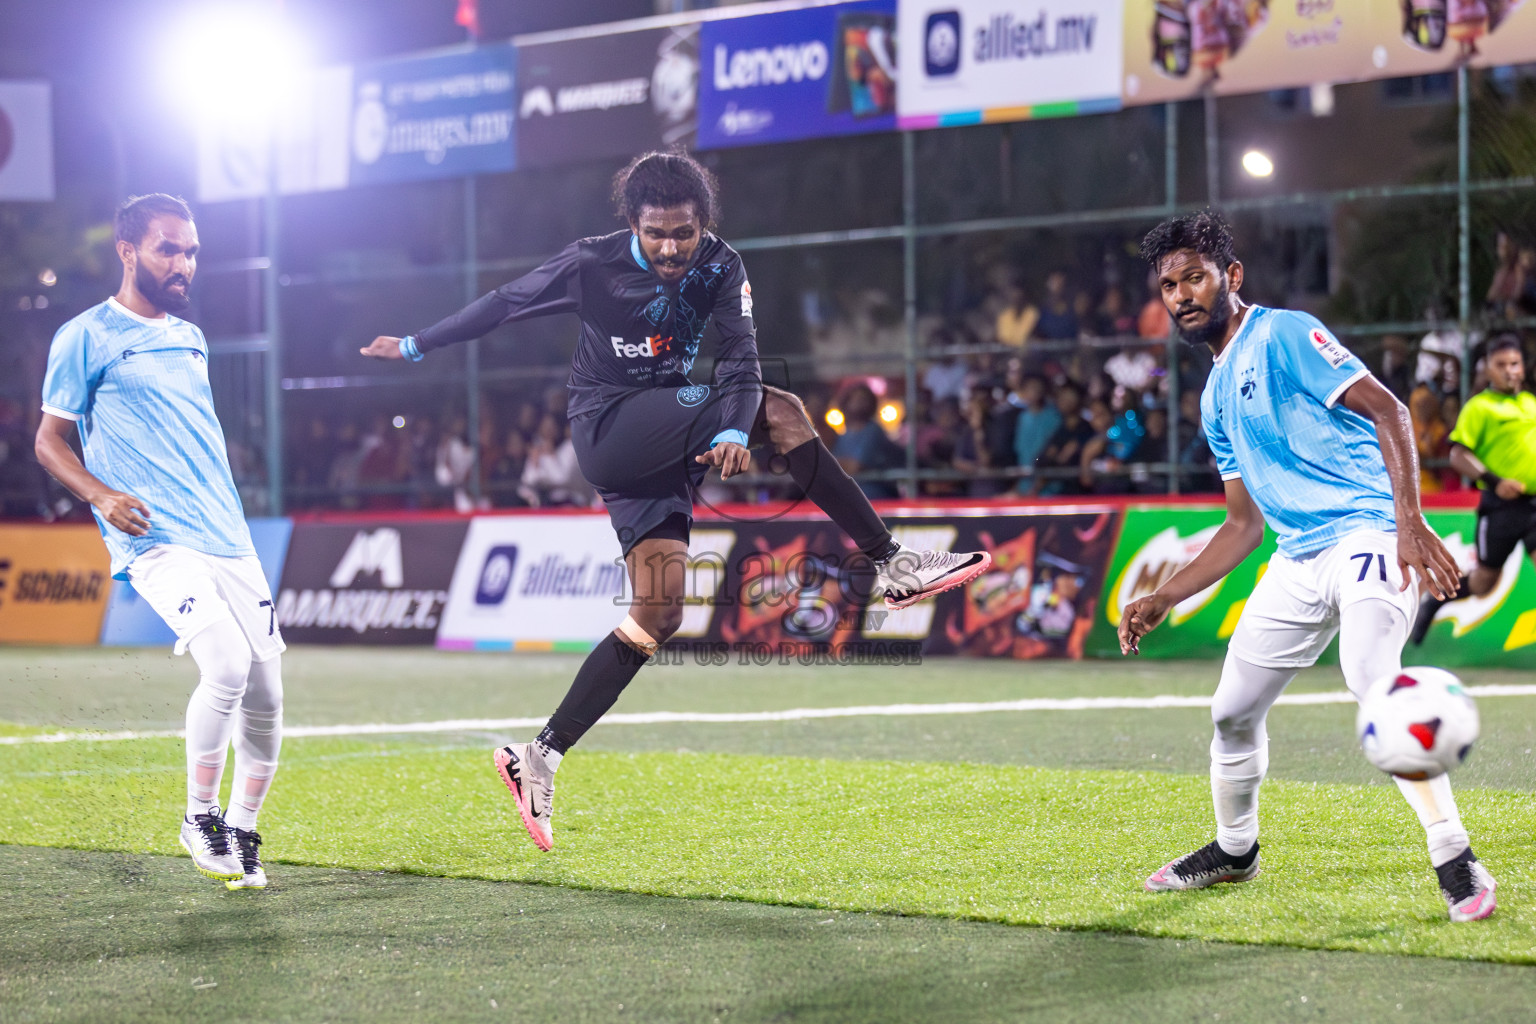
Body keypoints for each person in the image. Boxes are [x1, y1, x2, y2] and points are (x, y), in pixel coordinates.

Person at [359, 152, 991, 851]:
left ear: (703, 225)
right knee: (781, 411)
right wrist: (417, 344)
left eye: (683, 233)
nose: (669, 247)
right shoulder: (590, 263)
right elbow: (506, 304)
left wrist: (725, 424)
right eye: (656, 232)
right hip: (607, 427)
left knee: (656, 615)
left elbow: (741, 357)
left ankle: (539, 754)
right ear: (633, 223)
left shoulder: (722, 267)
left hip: (659, 441)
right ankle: (891, 562)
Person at [1118, 211, 1494, 922]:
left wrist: (1409, 522)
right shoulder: (1213, 397)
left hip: (1367, 537)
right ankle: (1236, 849)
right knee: (1230, 713)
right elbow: (1241, 526)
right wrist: (1164, 595)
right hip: (1297, 559)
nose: (1180, 295)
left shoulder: (1284, 333)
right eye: (1169, 285)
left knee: (1372, 681)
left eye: (1193, 277)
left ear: (1230, 276)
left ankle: (1455, 855)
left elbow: (1390, 411)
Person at [34, 194, 282, 890]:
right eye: (169, 248)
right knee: (227, 666)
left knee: (267, 693)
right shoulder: (85, 335)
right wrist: (103, 497)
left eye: (192, 250)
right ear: (128, 251)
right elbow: (48, 441)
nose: (183, 262)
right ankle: (197, 816)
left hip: (227, 534)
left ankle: (244, 828)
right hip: (155, 537)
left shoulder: (191, 336)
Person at [1411, 335, 1536, 644]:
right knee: (1483, 584)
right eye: (1501, 365)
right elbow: (1457, 454)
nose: (1510, 371)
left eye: (1515, 364)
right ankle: (1436, 601)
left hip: (1534, 504)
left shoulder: (1531, 403)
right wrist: (1496, 481)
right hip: (1501, 507)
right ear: (1487, 370)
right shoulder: (1479, 407)